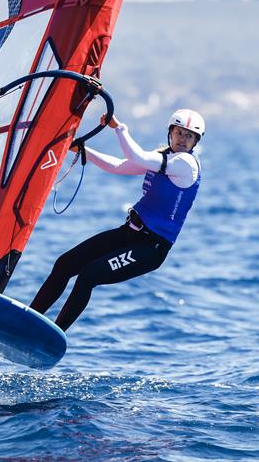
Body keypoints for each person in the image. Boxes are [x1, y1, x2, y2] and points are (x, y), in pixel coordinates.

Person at [30, 109, 205, 331]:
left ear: (195, 141)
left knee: (88, 276)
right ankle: (27, 320)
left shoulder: (185, 165)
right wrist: (84, 151)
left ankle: (52, 335)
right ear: (170, 133)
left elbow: (137, 157)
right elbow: (119, 166)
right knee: (65, 264)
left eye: (189, 136)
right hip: (129, 233)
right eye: (179, 132)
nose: (182, 139)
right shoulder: (164, 157)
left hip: (151, 247)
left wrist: (118, 128)